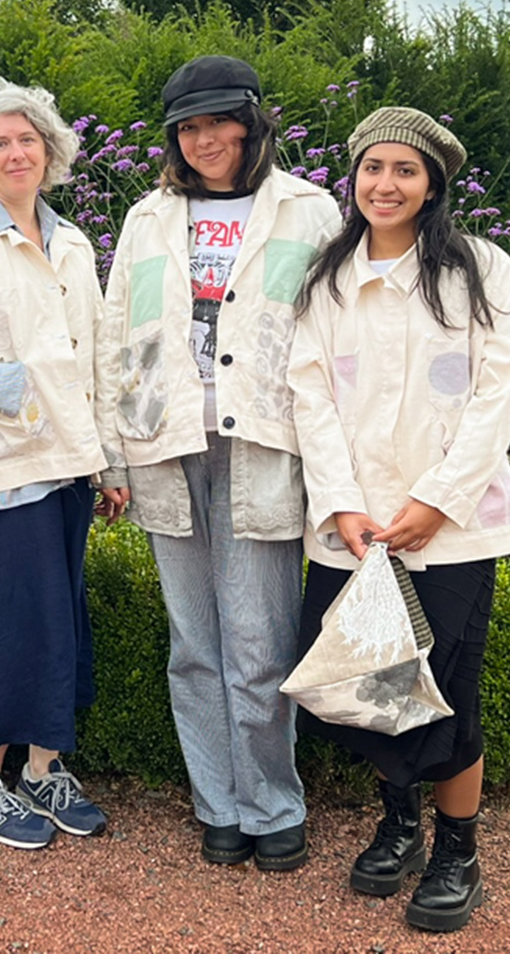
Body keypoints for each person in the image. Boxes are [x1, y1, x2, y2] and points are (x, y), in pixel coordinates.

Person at [95, 55, 343, 872]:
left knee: (260, 641)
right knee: (194, 643)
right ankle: (219, 804)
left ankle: (273, 803)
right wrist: (113, 455)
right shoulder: (147, 218)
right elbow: (116, 335)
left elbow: (334, 334)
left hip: (263, 444)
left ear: (252, 122)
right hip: (165, 445)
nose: (204, 140)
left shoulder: (307, 211)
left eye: (219, 123)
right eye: (188, 128)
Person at [288, 106, 510, 933]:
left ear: (432, 186)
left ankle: (458, 850)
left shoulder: (479, 269)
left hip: (452, 528)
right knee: (374, 684)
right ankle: (400, 823)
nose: (385, 184)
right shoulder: (328, 279)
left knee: (447, 690)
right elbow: (311, 394)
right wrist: (342, 502)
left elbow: (498, 391)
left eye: (405, 170)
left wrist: (439, 500)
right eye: (372, 167)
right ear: (352, 178)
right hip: (356, 528)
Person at [0, 76, 123, 850]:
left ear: (50, 151)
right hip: (0, 462)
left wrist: (106, 460)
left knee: (57, 620)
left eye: (27, 139)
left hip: (68, 459)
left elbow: (94, 355)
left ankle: (41, 768)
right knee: (10, 625)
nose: (15, 152)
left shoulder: (73, 243)